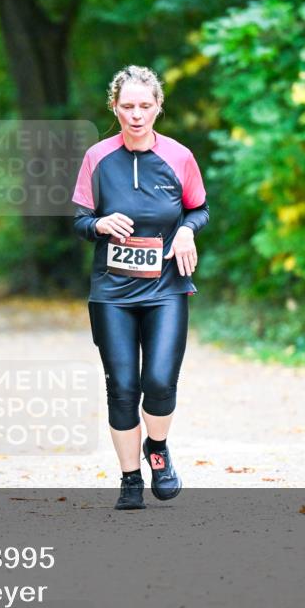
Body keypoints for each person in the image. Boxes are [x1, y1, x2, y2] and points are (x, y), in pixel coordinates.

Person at [72, 66, 210, 510]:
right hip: (112, 293)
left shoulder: (179, 156)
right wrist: (99, 224)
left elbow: (199, 208)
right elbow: (80, 220)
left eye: (145, 106)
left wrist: (186, 230)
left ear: (158, 107)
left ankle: (158, 448)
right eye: (128, 106)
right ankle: (130, 478)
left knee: (160, 381)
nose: (136, 115)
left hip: (167, 287)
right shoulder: (97, 157)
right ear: (114, 107)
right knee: (123, 387)